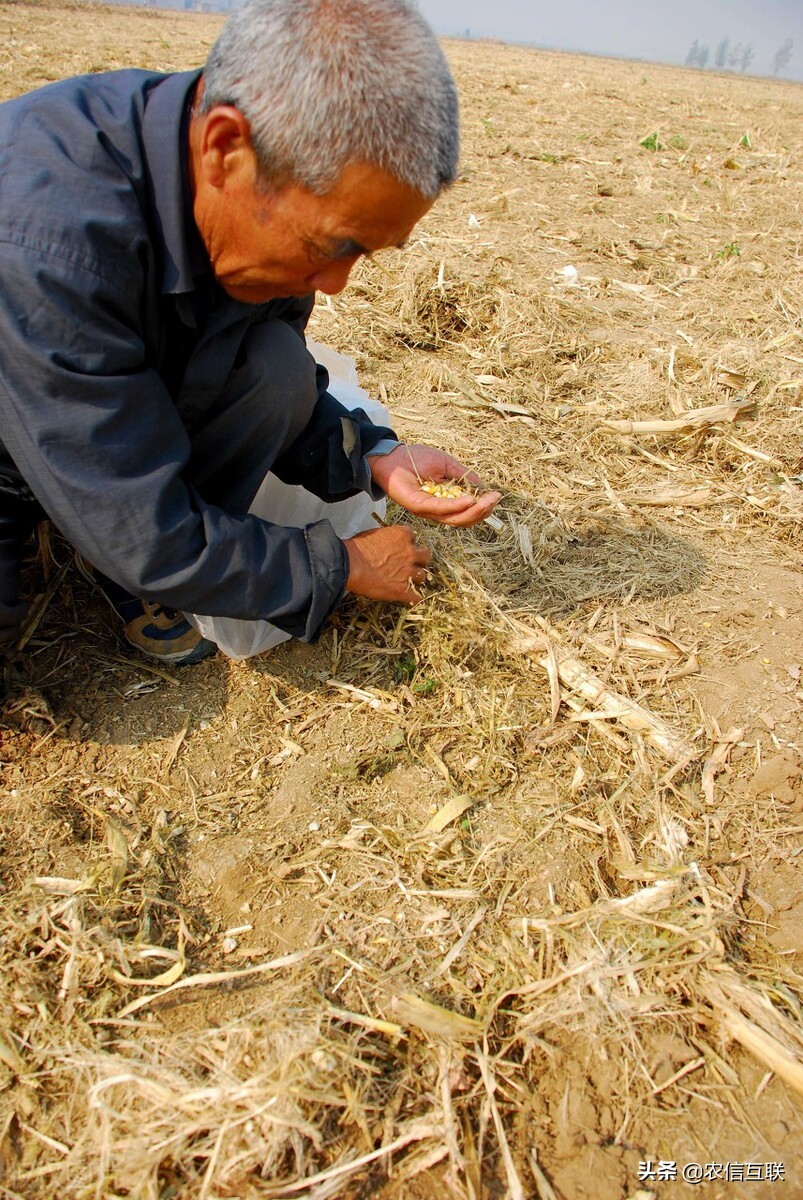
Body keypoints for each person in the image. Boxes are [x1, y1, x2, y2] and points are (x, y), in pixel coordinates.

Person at [0, 0, 500, 670]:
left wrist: (374, 458)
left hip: (88, 410)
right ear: (225, 149)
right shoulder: (47, 243)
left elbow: (259, 371)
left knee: (277, 368)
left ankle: (123, 563)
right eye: (333, 246)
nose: (336, 284)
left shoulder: (248, 170)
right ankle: (105, 544)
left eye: (367, 254)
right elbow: (145, 530)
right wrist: (339, 564)